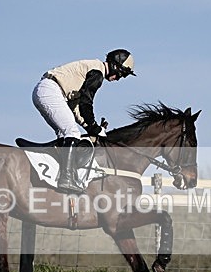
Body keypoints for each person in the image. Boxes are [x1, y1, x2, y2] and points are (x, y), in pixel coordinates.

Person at [32, 49, 136, 194]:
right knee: (72, 133)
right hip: (51, 91)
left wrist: (90, 127)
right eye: (121, 73)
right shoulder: (97, 73)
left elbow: (76, 109)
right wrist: (94, 126)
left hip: (47, 91)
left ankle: (58, 175)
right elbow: (86, 103)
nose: (119, 78)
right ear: (115, 66)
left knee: (65, 135)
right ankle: (66, 178)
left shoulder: (92, 71)